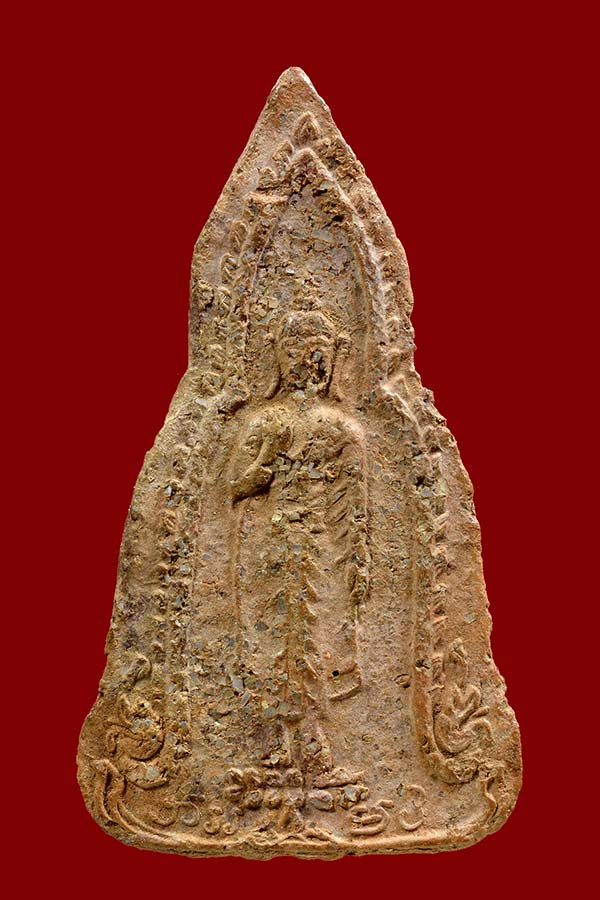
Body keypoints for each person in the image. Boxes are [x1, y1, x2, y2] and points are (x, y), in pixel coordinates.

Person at [228, 309, 369, 785]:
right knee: (272, 644)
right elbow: (236, 488)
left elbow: (355, 506)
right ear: (279, 360)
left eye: (318, 353)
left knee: (315, 643)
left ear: (333, 360)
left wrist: (358, 563)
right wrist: (268, 459)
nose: (309, 363)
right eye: (296, 352)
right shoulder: (265, 422)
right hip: (270, 549)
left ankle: (314, 752)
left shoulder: (342, 430)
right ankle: (274, 752)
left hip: (322, 549)